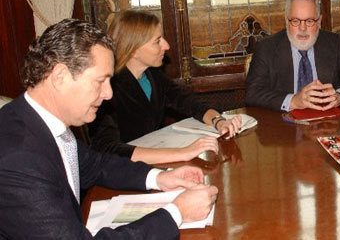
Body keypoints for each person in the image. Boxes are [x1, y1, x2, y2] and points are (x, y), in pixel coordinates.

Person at [0, 19, 218, 239]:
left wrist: (159, 178)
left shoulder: (38, 122)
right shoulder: (18, 158)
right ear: (60, 76)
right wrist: (176, 213)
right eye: (100, 81)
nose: (109, 94)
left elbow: (95, 165)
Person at [88, 10, 241, 164]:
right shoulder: (107, 89)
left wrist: (219, 121)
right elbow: (108, 149)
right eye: (157, 41)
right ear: (133, 49)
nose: (166, 46)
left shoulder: (153, 76)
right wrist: (183, 153)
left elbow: (187, 101)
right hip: (122, 175)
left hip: (156, 165)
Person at [245, 0, 340, 111]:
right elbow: (253, 93)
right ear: (287, 21)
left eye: (309, 21)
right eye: (296, 21)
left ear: (319, 22)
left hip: (327, 123)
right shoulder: (267, 48)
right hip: (283, 124)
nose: (302, 29)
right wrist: (293, 101)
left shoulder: (334, 43)